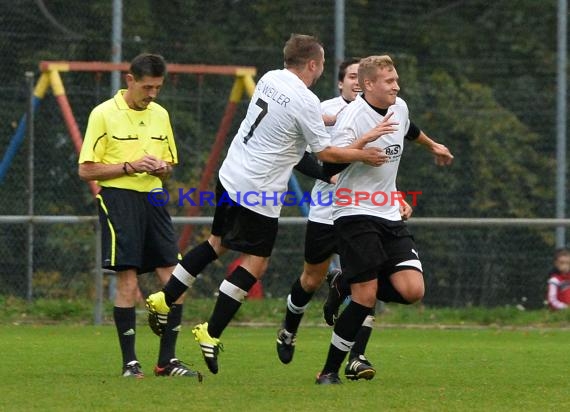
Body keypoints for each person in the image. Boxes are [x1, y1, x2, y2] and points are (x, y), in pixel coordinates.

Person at [145, 33, 391, 375]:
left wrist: (335, 120)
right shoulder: (306, 99)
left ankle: (164, 297)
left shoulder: (269, 78)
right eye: (319, 66)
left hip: (231, 174)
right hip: (258, 189)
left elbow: (295, 120)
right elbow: (325, 153)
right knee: (256, 263)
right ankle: (210, 331)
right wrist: (362, 153)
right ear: (312, 64)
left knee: (216, 243)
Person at [277, 58, 453, 382]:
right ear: (369, 85)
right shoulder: (351, 119)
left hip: (386, 211)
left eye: (396, 80)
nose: (396, 86)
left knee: (412, 290)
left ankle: (345, 281)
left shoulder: (399, 107)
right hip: (352, 211)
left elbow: (410, 129)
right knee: (362, 295)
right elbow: (328, 169)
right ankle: (329, 371)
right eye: (389, 81)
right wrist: (362, 146)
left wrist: (433, 146)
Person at [78, 53, 201, 380]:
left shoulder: (160, 114)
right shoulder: (103, 114)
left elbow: (170, 165)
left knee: (177, 280)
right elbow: (86, 169)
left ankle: (167, 362)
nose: (153, 94)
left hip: (154, 198)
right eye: (147, 87)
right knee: (128, 283)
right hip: (118, 200)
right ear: (129, 80)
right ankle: (130, 364)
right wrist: (129, 166)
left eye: (158, 88)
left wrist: (163, 169)